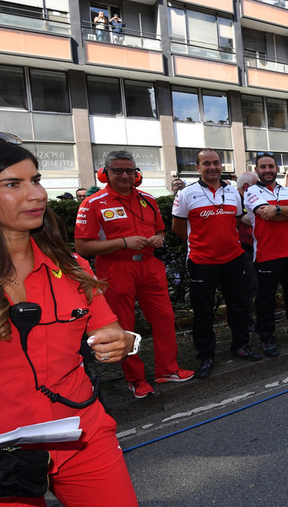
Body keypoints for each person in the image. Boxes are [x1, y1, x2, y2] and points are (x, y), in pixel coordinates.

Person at [0, 136, 138, 504]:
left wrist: (122, 342)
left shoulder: (74, 269)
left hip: (81, 434)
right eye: (13, 184)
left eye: (36, 179)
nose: (37, 194)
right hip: (2, 450)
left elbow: (108, 330)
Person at [75, 150, 193, 398]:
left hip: (150, 267)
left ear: (136, 173)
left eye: (130, 170)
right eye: (118, 170)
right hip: (115, 270)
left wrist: (158, 240)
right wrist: (124, 243)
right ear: (105, 173)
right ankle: (136, 379)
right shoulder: (93, 203)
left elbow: (161, 232)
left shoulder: (148, 200)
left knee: (164, 319)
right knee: (125, 327)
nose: (125, 175)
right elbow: (82, 247)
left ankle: (167, 370)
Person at [171, 150, 262, 379]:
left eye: (216, 162)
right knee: (203, 312)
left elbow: (234, 221)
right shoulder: (186, 194)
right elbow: (177, 228)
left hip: (233, 260)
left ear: (221, 165)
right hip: (201, 263)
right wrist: (202, 244)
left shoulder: (233, 192)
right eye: (206, 163)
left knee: (239, 306)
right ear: (198, 166)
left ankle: (240, 345)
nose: (212, 167)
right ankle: (205, 355)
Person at [244, 153, 288, 355]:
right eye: (263, 167)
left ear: (276, 169)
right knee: (266, 301)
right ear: (256, 170)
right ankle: (267, 338)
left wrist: (278, 211)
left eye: (271, 166)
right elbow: (265, 214)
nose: (267, 170)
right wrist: (287, 212)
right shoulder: (251, 192)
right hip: (266, 254)